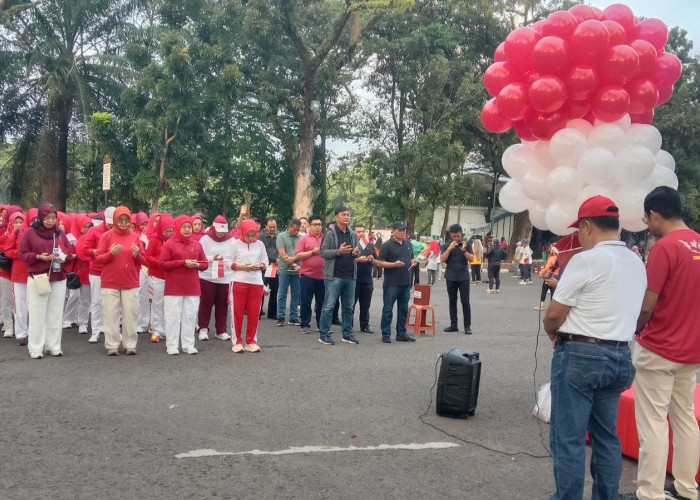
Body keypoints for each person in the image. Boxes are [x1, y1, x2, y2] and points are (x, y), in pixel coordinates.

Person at [543, 195, 646, 500]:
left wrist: (553, 333)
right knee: (606, 437)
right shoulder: (636, 261)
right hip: (619, 355)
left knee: (569, 439)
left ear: (587, 226)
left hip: (580, 355)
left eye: (579, 231)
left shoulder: (586, 260)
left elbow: (554, 315)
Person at [619, 187, 700, 500]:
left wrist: (634, 332)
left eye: (646, 218)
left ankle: (650, 493)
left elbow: (646, 305)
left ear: (654, 214)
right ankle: (686, 488)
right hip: (692, 349)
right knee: (685, 418)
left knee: (653, 421)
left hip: (660, 347)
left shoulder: (665, 248)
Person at [19, 203, 74, 359]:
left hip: (58, 277)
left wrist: (62, 259)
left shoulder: (59, 234)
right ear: (40, 217)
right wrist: (38, 257)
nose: (50, 221)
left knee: (55, 314)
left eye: (53, 218)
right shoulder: (30, 233)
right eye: (47, 218)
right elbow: (22, 253)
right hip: (38, 278)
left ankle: (53, 346)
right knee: (37, 313)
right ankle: (36, 348)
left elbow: (69, 254)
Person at [94, 206, 146, 356]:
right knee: (110, 314)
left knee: (131, 314)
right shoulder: (107, 236)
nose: (123, 223)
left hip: (130, 282)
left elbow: (143, 260)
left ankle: (130, 344)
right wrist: (110, 253)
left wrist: (137, 255)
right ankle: (112, 345)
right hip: (110, 282)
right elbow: (98, 258)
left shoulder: (135, 237)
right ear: (115, 220)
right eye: (120, 220)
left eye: (126, 220)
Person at [159, 215, 208, 355]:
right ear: (178, 227)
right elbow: (162, 264)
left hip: (192, 287)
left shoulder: (196, 244)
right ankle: (172, 345)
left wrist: (196, 264)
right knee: (173, 316)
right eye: (184, 227)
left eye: (189, 227)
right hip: (174, 287)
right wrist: (182, 262)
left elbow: (204, 264)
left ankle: (188, 344)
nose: (187, 230)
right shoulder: (170, 243)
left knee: (190, 316)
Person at [317, 207, 360, 346]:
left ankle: (347, 334)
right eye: (344, 215)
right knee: (329, 306)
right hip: (334, 275)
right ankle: (324, 334)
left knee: (348, 307)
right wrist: (338, 251)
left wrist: (355, 253)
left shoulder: (353, 234)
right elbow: (323, 252)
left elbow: (356, 253)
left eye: (348, 214)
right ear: (336, 217)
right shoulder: (330, 234)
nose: (347, 217)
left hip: (350, 276)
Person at [228, 218, 268, 353]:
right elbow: (227, 262)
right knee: (237, 312)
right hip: (239, 280)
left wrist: (260, 266)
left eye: (253, 235)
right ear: (243, 232)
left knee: (254, 313)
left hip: (256, 282)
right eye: (248, 235)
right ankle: (237, 341)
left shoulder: (260, 244)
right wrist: (240, 266)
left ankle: (251, 341)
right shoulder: (235, 244)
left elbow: (265, 261)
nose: (251, 238)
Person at [76, 207, 114, 343]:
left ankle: (107, 327)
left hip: (113, 271)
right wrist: (98, 251)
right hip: (97, 270)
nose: (111, 225)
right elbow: (85, 250)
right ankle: (96, 329)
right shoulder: (94, 231)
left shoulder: (118, 232)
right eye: (109, 222)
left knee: (110, 302)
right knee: (96, 301)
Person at [376, 221, 416, 343]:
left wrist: (414, 261)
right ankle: (386, 333)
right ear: (393, 231)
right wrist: (394, 264)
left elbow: (411, 258)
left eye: (404, 230)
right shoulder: (387, 245)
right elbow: (380, 262)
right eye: (399, 230)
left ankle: (401, 333)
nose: (402, 232)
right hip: (391, 283)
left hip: (405, 282)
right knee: (388, 309)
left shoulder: (408, 244)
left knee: (403, 309)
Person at [196, 215, 233, 341]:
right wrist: (213, 258)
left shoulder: (231, 240)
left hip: (225, 277)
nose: (221, 234)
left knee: (222, 304)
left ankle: (221, 330)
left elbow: (234, 256)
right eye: (219, 231)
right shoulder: (205, 240)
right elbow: (199, 257)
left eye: (223, 232)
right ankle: (203, 328)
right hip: (207, 276)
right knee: (206, 303)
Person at [440, 224, 473, 335]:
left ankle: (467, 326)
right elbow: (442, 259)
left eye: (458, 236)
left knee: (465, 301)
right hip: (451, 276)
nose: (456, 239)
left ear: (461, 234)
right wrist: (449, 249)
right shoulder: (445, 245)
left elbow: (472, 259)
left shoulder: (466, 244)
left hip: (463, 276)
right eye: (454, 236)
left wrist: (464, 251)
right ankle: (454, 325)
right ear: (451, 235)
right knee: (452, 301)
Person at [295, 214, 324, 334]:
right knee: (306, 301)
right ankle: (305, 324)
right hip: (307, 275)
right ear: (309, 226)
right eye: (315, 225)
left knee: (322, 302)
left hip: (323, 276)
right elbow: (298, 255)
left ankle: (321, 325)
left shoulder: (326, 238)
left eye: (319, 225)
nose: (318, 227)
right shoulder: (304, 239)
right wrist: (313, 252)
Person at [3, 210, 28, 344]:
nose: (18, 225)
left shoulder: (31, 233)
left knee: (31, 305)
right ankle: (20, 332)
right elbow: (7, 251)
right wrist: (21, 254)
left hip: (32, 274)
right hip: (17, 274)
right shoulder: (14, 233)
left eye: (21, 221)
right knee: (19, 304)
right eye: (16, 222)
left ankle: (30, 330)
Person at [276, 218, 301, 327]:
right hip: (284, 270)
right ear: (289, 227)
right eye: (294, 230)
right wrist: (294, 264)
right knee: (282, 293)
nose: (296, 232)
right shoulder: (281, 236)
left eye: (298, 230)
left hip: (297, 272)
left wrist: (297, 266)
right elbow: (282, 253)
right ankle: (281, 317)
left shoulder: (301, 238)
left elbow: (302, 253)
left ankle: (294, 317)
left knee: (296, 294)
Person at [353, 224, 375, 334]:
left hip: (367, 279)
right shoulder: (350, 245)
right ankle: (348, 326)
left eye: (362, 231)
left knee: (365, 304)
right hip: (353, 279)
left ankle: (365, 325)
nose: (361, 233)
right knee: (350, 304)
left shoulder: (369, 245)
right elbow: (344, 260)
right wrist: (357, 260)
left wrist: (372, 259)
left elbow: (376, 260)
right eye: (358, 231)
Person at [258, 217, 279, 319]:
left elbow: (281, 249)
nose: (272, 229)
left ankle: (272, 313)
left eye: (274, 227)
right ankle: (258, 311)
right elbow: (262, 251)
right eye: (270, 227)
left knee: (274, 290)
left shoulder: (279, 237)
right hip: (265, 266)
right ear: (266, 226)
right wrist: (272, 260)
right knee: (261, 289)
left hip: (276, 267)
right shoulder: (261, 237)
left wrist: (278, 260)